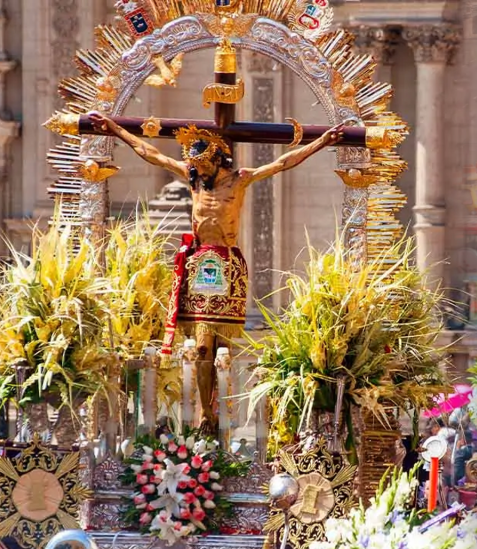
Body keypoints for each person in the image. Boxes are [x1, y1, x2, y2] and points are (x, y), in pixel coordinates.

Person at [85, 111, 344, 433]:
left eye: (205, 167)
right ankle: (203, 412)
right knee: (201, 344)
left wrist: (320, 142)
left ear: (219, 160)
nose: (199, 172)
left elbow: (282, 163)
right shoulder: (193, 178)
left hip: (226, 264)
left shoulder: (240, 178)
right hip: (198, 262)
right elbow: (150, 153)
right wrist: (113, 129)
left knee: (224, 345)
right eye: (197, 167)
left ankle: (223, 410)